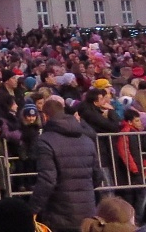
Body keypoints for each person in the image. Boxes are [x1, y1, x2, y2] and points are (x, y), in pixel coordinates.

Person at [28, 97, 101, 232]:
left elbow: (47, 181)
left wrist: (33, 209)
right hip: (87, 211)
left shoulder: (45, 141)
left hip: (59, 212)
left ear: (45, 116)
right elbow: (97, 175)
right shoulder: (86, 139)